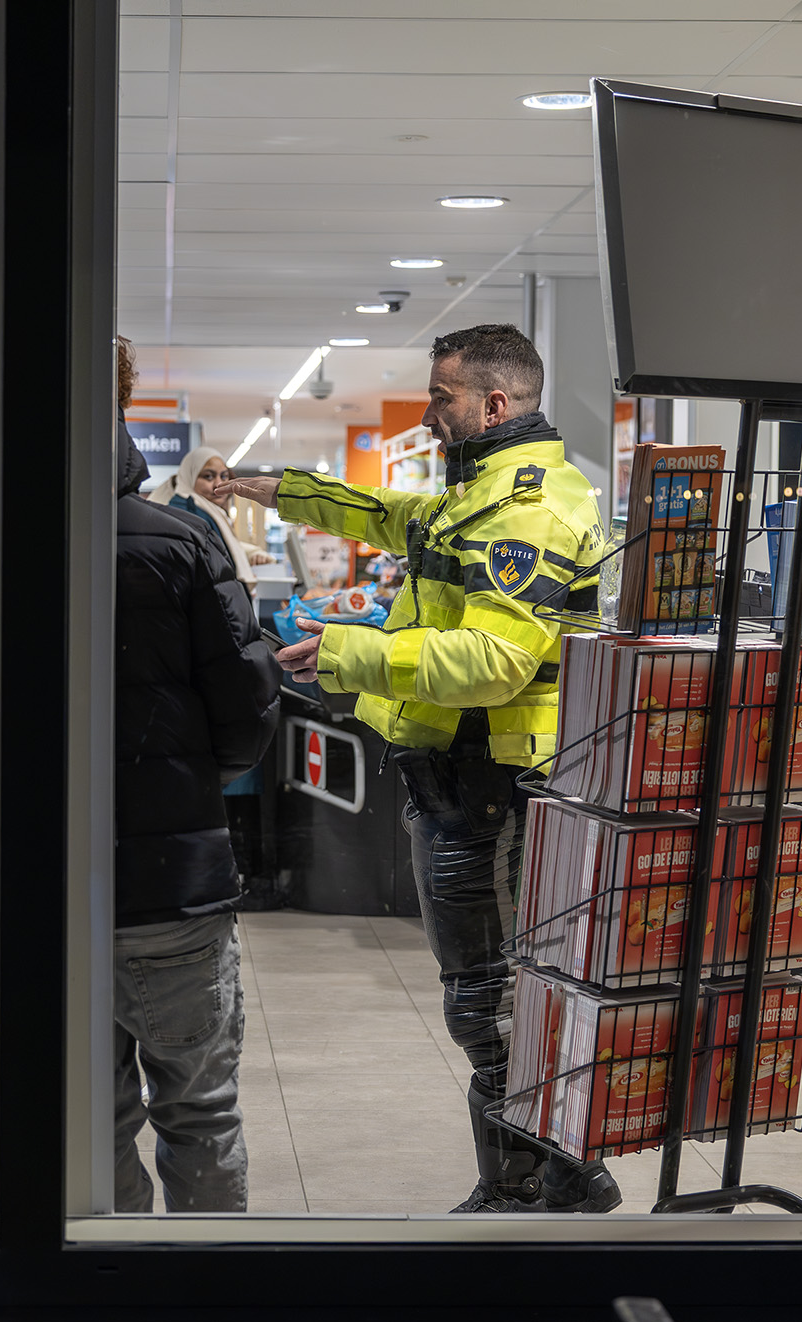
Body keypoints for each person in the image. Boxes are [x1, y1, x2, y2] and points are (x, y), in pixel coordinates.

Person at [216, 323, 619, 1214]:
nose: (429, 412)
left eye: (441, 396)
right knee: (489, 993)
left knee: (489, 1000)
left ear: (495, 403)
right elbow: (384, 515)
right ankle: (542, 1177)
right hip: (453, 780)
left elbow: (492, 661)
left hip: (493, 786)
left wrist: (352, 654)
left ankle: (545, 1181)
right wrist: (270, 486)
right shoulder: (472, 496)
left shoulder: (531, 511)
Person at [113, 337, 280, 1212]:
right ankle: (202, 1297)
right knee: (201, 1112)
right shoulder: (182, 543)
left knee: (75, 1121)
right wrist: (182, 779)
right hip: (173, 889)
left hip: (37, 893)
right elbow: (245, 710)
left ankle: (95, 1296)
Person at [147, 446, 277, 593]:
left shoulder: (206, 510)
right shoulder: (188, 512)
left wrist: (251, 553)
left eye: (223, 476)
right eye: (208, 476)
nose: (218, 484)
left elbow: (218, 547)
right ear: (190, 476)